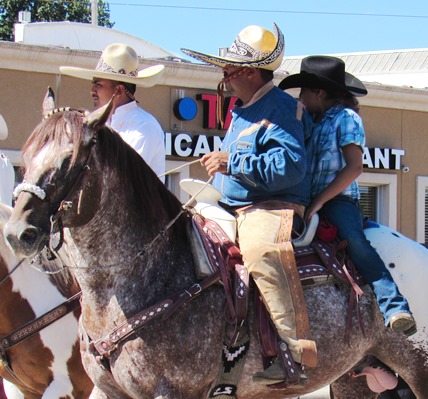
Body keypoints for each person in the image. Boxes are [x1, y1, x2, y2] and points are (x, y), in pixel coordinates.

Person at [182, 24, 317, 384]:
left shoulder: (285, 108)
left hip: (273, 207)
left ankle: (295, 353)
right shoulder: (241, 110)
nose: (223, 76)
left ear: (250, 72)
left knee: (259, 251)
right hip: (233, 205)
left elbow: (291, 167)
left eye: (227, 69)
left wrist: (232, 163)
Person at [279, 55, 416, 336]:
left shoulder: (346, 118)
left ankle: (394, 305)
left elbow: (354, 167)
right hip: (306, 200)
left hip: (338, 200)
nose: (300, 98)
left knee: (355, 242)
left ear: (319, 92)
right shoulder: (311, 121)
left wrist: (320, 201)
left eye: (304, 92)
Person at [60, 43, 167, 181]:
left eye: (98, 85)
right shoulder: (103, 125)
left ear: (119, 90)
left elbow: (123, 179)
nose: (92, 91)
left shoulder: (144, 126)